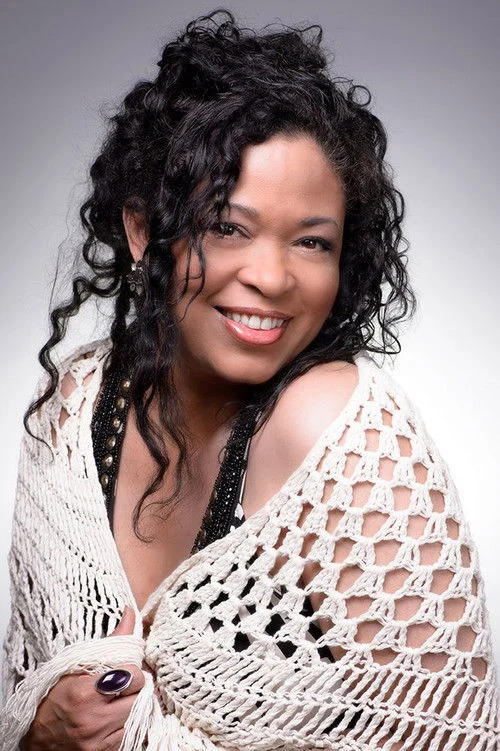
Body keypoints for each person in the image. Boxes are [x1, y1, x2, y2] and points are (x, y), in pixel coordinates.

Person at [1, 9, 498, 750]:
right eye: (228, 227)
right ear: (144, 230)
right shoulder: (75, 411)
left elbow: (454, 738)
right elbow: (26, 694)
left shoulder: (342, 439)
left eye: (311, 242)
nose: (271, 276)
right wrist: (39, 729)